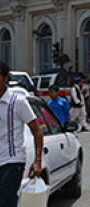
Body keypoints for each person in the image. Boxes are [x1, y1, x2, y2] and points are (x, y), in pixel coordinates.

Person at [0, 61, 43, 207]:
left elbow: (37, 131)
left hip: (12, 161)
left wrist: (37, 161)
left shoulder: (17, 101)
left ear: (6, 78)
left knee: (6, 201)